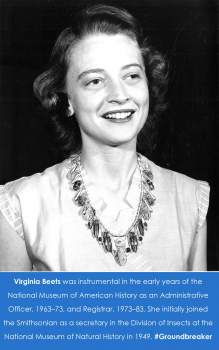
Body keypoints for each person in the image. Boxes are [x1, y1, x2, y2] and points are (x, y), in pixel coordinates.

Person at [0, 4, 210, 271]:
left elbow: (196, 314)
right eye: (95, 81)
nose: (119, 95)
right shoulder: (19, 206)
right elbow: (15, 313)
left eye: (132, 75)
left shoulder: (191, 199)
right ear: (66, 101)